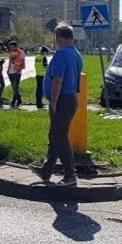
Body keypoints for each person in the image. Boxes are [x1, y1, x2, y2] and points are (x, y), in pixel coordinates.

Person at [32, 25, 82, 186]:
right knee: (55, 135)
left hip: (62, 99)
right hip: (72, 97)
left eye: (55, 37)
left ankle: (70, 175)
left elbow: (58, 80)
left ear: (59, 37)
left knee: (59, 137)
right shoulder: (76, 54)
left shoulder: (61, 54)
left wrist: (53, 102)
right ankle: (46, 171)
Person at [6, 40, 26, 108]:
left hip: (17, 72)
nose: (11, 48)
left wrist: (19, 70)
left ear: (16, 46)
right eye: (10, 47)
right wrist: (8, 70)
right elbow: (10, 62)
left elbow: (23, 63)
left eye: (12, 47)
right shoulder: (11, 52)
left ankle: (14, 101)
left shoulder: (21, 52)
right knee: (14, 87)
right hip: (10, 72)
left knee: (15, 87)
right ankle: (19, 100)